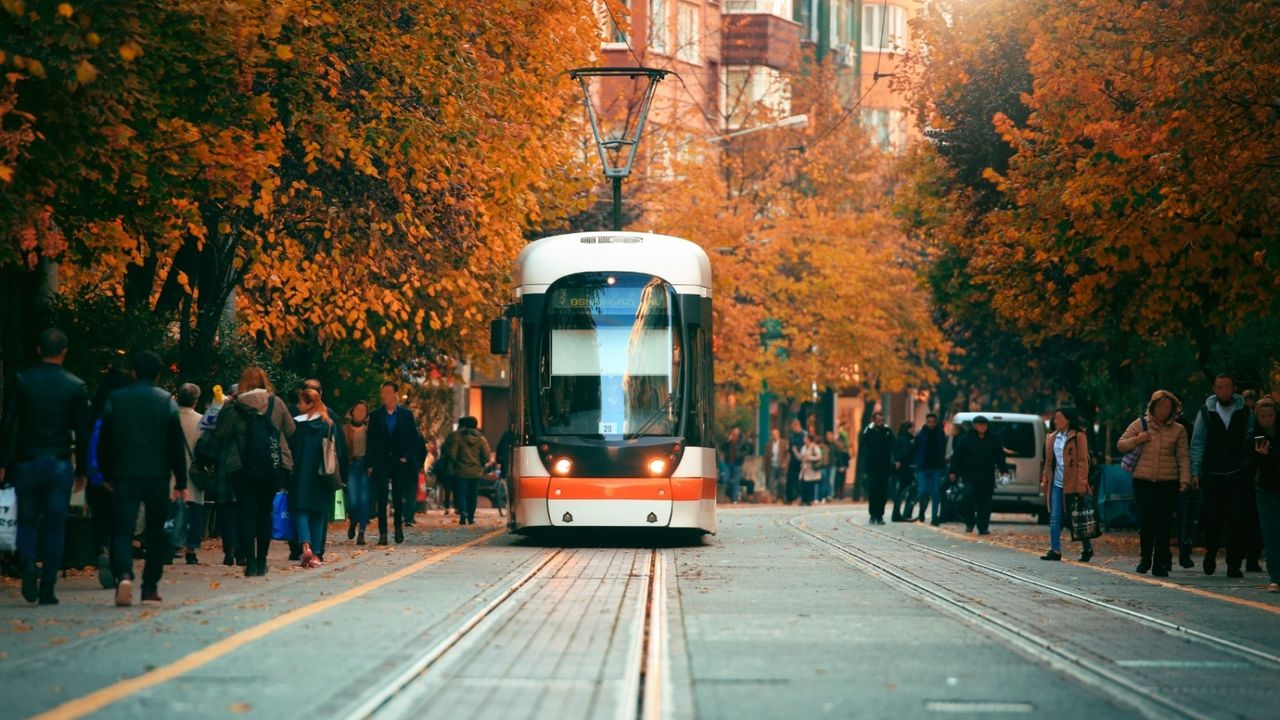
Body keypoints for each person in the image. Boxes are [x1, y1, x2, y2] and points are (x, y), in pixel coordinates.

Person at [0, 329, 90, 605]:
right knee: (55, 523)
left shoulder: (23, 381)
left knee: (27, 519)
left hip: (27, 460)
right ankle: (48, 585)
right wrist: (82, 470)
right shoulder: (75, 385)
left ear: (39, 350)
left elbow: (10, 423)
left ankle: (28, 567)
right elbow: (82, 432)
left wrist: (4, 462)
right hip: (59, 460)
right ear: (64, 352)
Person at [99, 351, 189, 606]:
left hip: (124, 474)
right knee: (156, 531)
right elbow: (175, 445)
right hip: (157, 476)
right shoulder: (166, 402)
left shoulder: (116, 400)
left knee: (122, 529)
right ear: (159, 374)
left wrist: (106, 473)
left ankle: (124, 574)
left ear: (133, 372)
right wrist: (180, 482)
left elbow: (104, 441)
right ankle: (150, 586)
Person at [213, 367, 295, 577]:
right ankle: (261, 561)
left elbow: (221, 433)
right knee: (265, 512)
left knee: (246, 513)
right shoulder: (276, 403)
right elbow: (291, 429)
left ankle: (249, 562)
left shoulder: (235, 405)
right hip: (272, 465)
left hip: (241, 466)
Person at [1117, 390, 1190, 577]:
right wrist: (1137, 439)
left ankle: (1159, 562)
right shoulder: (1140, 424)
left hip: (1168, 482)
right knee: (1147, 520)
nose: (1163, 410)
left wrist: (1185, 480)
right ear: (1153, 407)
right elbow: (1121, 444)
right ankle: (1145, 557)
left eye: (1167, 407)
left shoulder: (1178, 430)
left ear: (1173, 409)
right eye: (1160, 406)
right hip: (1143, 481)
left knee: (1164, 523)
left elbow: (1183, 457)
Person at [1190, 374, 1250, 577]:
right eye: (1219, 387)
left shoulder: (1244, 412)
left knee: (1236, 521)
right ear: (1215, 389)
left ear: (1233, 388)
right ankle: (1211, 553)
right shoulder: (1206, 412)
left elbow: (1249, 440)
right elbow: (1198, 442)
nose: (1223, 391)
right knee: (1212, 519)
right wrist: (1195, 471)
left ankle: (1234, 564)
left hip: (1236, 474)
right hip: (1213, 474)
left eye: (1227, 387)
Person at [86, 367, 132, 588]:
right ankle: (116, 561)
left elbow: (88, 441)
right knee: (120, 522)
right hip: (122, 474)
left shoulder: (95, 408)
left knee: (100, 517)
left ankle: (100, 549)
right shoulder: (126, 409)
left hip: (97, 474)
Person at [290, 389, 342, 567]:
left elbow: (292, 448)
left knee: (301, 510)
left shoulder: (297, 424)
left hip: (301, 473)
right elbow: (336, 449)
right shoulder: (328, 424)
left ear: (309, 404)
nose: (298, 406)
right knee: (319, 514)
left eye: (301, 403)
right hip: (323, 474)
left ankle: (305, 546)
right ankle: (317, 554)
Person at [1038, 408, 1095, 562]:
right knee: (1055, 516)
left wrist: (1082, 482)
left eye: (1059, 418)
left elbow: (1083, 462)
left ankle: (1087, 547)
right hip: (1056, 482)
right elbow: (1048, 463)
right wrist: (1045, 479)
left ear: (1068, 419)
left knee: (1075, 518)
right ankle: (1055, 550)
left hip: (1073, 483)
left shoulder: (1079, 436)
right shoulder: (1051, 438)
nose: (1055, 421)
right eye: (1055, 418)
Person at [366, 382, 419, 544]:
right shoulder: (376, 415)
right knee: (381, 497)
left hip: (399, 461)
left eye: (388, 392)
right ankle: (383, 533)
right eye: (383, 392)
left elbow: (413, 439)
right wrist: (370, 463)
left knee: (398, 497)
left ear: (396, 394)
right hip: (381, 461)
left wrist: (407, 457)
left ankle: (398, 527)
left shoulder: (406, 415)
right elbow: (371, 440)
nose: (385, 396)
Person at [1242, 396, 1280, 592]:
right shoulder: (1252, 438)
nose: (1267, 419)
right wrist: (1259, 456)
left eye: (1270, 415)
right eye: (1263, 416)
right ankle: (1276, 577)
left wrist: (1271, 454)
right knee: (1272, 535)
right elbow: (1246, 468)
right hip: (1266, 491)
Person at [948, 415, 1010, 535]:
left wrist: (1004, 471)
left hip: (987, 476)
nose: (983, 427)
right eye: (980, 425)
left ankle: (983, 526)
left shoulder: (993, 439)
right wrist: (952, 471)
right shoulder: (966, 439)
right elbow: (957, 456)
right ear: (975, 426)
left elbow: (1000, 457)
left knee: (985, 503)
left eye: (984, 424)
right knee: (967, 498)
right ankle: (969, 522)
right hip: (970, 476)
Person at [175, 383, 207, 565]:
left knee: (171, 509)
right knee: (195, 509)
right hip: (194, 471)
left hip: (172, 470)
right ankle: (191, 549)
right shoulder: (203, 421)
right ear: (196, 400)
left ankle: (169, 544)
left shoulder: (169, 417)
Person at [445, 416, 491, 525]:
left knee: (461, 493)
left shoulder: (459, 438)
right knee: (473, 494)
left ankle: (463, 512)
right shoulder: (481, 439)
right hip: (476, 471)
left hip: (461, 471)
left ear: (465, 425)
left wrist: (457, 463)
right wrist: (481, 464)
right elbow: (486, 455)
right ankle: (471, 516)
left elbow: (452, 454)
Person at [342, 400, 371, 545]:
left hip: (365, 467)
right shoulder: (345, 429)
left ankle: (362, 533)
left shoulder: (369, 430)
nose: (360, 413)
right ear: (352, 412)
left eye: (363, 411)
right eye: (358, 410)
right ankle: (353, 521)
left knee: (364, 500)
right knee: (353, 500)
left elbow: (373, 449)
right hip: (351, 466)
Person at [861, 412, 895, 525]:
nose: (880, 423)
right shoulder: (868, 431)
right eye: (878, 421)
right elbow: (864, 447)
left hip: (884, 466)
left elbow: (893, 446)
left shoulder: (888, 431)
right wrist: (867, 462)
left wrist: (894, 460)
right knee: (873, 490)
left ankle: (880, 515)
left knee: (883, 491)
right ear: (874, 421)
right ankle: (873, 514)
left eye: (882, 420)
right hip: (872, 467)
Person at [914, 413, 947, 525]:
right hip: (923, 467)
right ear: (926, 421)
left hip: (936, 467)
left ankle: (934, 517)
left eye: (933, 422)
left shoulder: (940, 433)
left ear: (936, 422)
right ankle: (922, 510)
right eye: (929, 422)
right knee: (923, 491)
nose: (931, 424)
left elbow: (943, 447)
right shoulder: (920, 433)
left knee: (935, 492)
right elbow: (916, 448)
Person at [891, 422, 916, 522]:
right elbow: (905, 453)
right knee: (907, 490)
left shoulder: (899, 438)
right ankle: (904, 513)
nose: (914, 429)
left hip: (901, 468)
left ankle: (897, 514)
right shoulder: (908, 440)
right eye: (912, 427)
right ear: (908, 429)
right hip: (907, 468)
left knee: (901, 490)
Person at [719, 427, 750, 504]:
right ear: (732, 432)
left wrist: (741, 455)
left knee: (736, 482)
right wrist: (727, 441)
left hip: (737, 463)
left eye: (737, 432)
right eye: (734, 432)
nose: (735, 434)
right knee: (725, 479)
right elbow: (722, 448)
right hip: (727, 463)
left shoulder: (742, 441)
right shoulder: (728, 440)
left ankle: (734, 499)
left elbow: (748, 450)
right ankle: (731, 494)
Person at [798, 432, 823, 505]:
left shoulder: (814, 447)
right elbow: (801, 456)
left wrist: (809, 458)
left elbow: (819, 457)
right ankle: (803, 500)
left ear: (809, 439)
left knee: (810, 485)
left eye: (805, 438)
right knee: (803, 484)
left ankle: (809, 500)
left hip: (811, 469)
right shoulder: (803, 447)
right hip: (804, 468)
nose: (804, 439)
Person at [786, 419, 806, 504]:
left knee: (800, 479)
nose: (792, 429)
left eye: (793, 427)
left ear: (797, 425)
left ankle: (799, 496)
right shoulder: (793, 436)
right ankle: (791, 497)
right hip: (793, 460)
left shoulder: (804, 435)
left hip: (801, 460)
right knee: (791, 478)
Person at [766, 429, 788, 502]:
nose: (774, 436)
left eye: (775, 434)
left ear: (778, 435)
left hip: (781, 466)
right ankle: (774, 497)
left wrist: (785, 463)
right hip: (772, 465)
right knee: (771, 483)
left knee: (782, 482)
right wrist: (764, 467)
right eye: (773, 434)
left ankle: (782, 497)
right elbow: (766, 456)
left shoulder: (783, 443)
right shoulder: (769, 444)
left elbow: (787, 454)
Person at [833, 428, 851, 501]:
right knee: (837, 481)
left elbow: (848, 458)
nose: (839, 444)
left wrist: (845, 467)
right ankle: (836, 494)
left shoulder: (844, 451)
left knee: (842, 482)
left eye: (840, 442)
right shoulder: (836, 451)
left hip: (843, 467)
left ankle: (841, 494)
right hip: (837, 468)